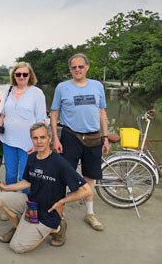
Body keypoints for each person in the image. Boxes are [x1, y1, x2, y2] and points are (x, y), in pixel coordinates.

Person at [0, 123, 92, 254]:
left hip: (48, 213)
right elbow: (27, 182)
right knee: (1, 198)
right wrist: (6, 187)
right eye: (35, 138)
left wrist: (62, 202)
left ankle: (56, 228)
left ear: (50, 138)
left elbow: (86, 190)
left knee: (17, 247)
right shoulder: (31, 157)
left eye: (42, 137)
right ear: (31, 139)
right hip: (32, 205)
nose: (39, 141)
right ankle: (18, 228)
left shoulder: (60, 163)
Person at [50, 53, 110, 235]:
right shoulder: (62, 88)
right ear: (70, 70)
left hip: (93, 137)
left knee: (90, 177)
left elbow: (102, 113)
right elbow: (54, 114)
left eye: (80, 66)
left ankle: (90, 213)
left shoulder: (97, 86)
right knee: (64, 177)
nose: (77, 70)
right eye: (74, 67)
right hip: (70, 136)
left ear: (87, 67)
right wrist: (55, 138)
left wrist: (105, 137)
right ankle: (60, 214)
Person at [0, 62, 46, 191]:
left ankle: (28, 206)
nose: (22, 77)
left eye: (25, 74)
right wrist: (0, 120)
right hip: (8, 140)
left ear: (30, 75)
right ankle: (11, 201)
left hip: (28, 142)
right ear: (14, 76)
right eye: (18, 74)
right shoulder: (9, 90)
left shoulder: (37, 93)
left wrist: (38, 143)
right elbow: (4, 112)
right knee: (10, 174)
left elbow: (41, 120)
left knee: (26, 176)